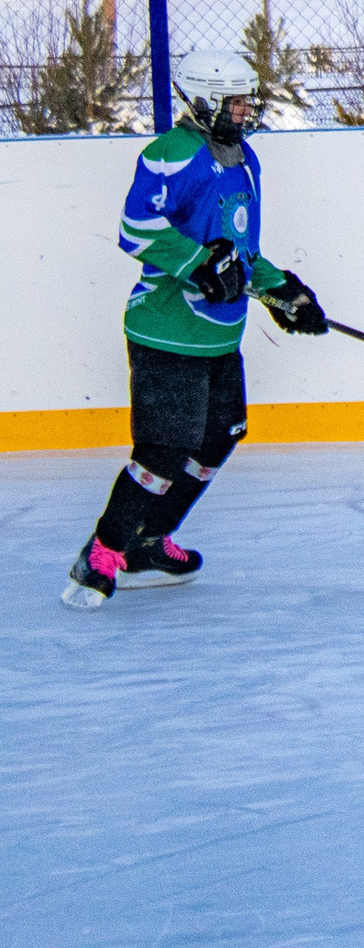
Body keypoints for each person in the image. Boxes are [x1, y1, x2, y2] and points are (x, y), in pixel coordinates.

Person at [64, 48, 329, 610]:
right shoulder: (170, 155)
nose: (244, 111)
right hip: (166, 331)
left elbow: (239, 251)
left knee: (219, 436)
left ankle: (148, 543)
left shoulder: (244, 160)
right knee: (163, 450)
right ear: (203, 99)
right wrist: (199, 264)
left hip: (218, 337)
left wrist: (284, 290)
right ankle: (103, 552)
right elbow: (137, 229)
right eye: (234, 102)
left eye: (246, 101)